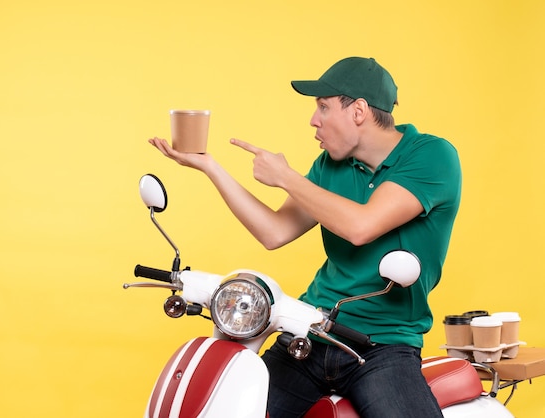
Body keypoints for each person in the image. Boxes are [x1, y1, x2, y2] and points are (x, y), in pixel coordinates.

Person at [148, 56, 461, 418]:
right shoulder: (330, 165)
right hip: (311, 332)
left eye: (323, 108)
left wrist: (286, 177)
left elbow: (362, 227)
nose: (314, 120)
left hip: (382, 345)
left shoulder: (431, 156)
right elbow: (274, 232)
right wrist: (210, 166)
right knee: (234, 406)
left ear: (358, 111)